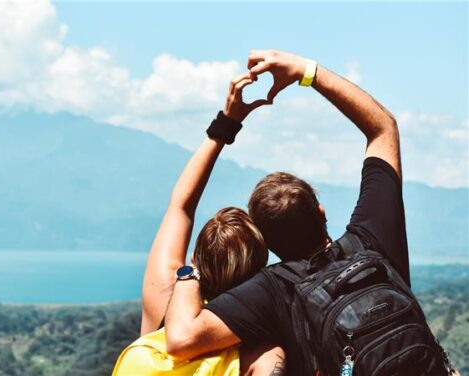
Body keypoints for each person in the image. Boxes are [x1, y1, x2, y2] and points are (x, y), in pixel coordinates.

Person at [163, 49, 459, 376]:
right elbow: (383, 127)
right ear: (321, 212)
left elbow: (180, 339)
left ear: (267, 243)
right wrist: (307, 71)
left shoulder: (271, 290)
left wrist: (188, 274)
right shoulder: (373, 239)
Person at [116, 71, 285, 375]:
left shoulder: (164, 301)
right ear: (259, 270)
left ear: (195, 259)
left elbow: (181, 206)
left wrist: (226, 126)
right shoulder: (260, 354)